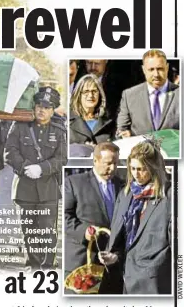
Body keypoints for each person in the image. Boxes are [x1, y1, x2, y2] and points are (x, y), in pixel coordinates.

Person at [4, 87, 67, 270]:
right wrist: (25, 168)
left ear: (53, 109)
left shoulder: (59, 129)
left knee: (48, 231)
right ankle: (33, 265)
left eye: (47, 107)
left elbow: (62, 158)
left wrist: (42, 168)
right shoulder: (20, 125)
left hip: (48, 188)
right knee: (29, 231)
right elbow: (9, 152)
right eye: (39, 105)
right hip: (25, 188)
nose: (42, 110)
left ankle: (48, 266)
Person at [99, 139, 172, 294]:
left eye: (141, 169)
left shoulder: (170, 197)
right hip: (125, 281)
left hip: (153, 284)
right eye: (132, 168)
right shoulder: (125, 194)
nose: (136, 174)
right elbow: (122, 239)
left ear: (154, 168)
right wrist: (115, 256)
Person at [64, 142, 123, 293]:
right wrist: (84, 232)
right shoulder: (74, 183)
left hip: (113, 265)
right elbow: (65, 217)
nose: (113, 168)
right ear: (95, 161)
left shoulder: (123, 185)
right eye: (108, 163)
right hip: (83, 262)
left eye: (116, 163)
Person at [117, 49, 179, 138]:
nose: (156, 74)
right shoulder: (129, 96)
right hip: (141, 150)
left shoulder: (180, 94)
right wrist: (126, 135)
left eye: (160, 69)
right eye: (151, 69)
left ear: (167, 67)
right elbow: (121, 129)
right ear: (143, 70)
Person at [69, 74, 116, 147]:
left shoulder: (109, 123)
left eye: (94, 91)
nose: (91, 95)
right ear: (78, 95)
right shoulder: (67, 121)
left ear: (100, 94)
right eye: (86, 92)